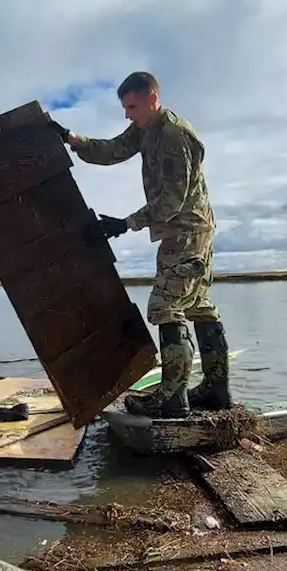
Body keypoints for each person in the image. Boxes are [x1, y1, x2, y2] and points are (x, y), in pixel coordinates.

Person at [49, 71, 231, 419]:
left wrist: (125, 224)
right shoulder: (146, 129)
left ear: (152, 99)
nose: (127, 114)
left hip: (186, 231)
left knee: (164, 306)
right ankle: (215, 389)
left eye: (132, 106)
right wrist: (71, 138)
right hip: (185, 231)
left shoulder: (175, 135)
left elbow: (172, 202)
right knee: (196, 305)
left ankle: (172, 398)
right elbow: (113, 150)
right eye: (124, 108)